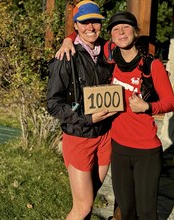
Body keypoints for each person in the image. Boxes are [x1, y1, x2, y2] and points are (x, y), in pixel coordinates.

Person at [56, 11, 174, 220]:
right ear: (111, 36)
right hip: (118, 146)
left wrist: (148, 107)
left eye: (126, 27)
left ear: (135, 32)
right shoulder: (109, 58)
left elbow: (170, 103)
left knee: (147, 213)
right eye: (115, 29)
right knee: (126, 211)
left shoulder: (151, 65)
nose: (121, 32)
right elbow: (86, 33)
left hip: (146, 150)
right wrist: (67, 41)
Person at [47, 1, 117, 220]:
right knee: (84, 206)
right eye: (84, 22)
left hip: (105, 136)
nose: (91, 27)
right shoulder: (66, 57)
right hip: (79, 137)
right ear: (75, 25)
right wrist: (88, 117)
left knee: (90, 197)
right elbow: (53, 104)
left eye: (95, 21)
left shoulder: (108, 51)